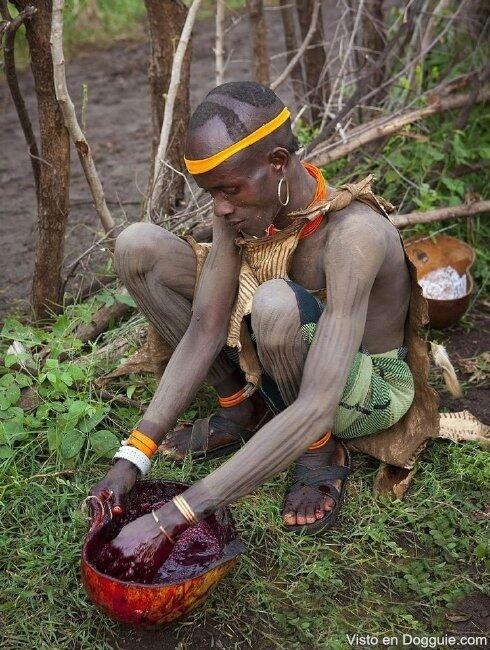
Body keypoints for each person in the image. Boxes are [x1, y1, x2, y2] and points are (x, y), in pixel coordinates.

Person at [90, 81, 415, 568]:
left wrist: (175, 515)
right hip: (281, 349)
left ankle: (322, 455)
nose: (220, 207)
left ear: (279, 163)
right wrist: (133, 455)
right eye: (212, 193)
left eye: (229, 190)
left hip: (361, 388)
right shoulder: (242, 207)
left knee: (274, 305)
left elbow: (316, 405)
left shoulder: (354, 237)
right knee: (138, 247)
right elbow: (205, 327)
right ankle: (240, 407)